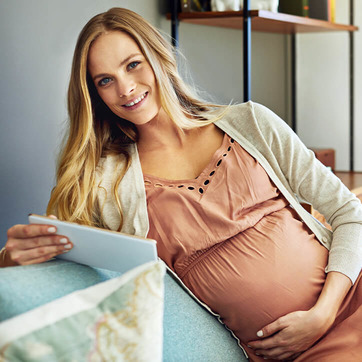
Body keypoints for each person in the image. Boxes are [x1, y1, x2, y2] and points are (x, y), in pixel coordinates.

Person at [1, 7, 362, 361]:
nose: (126, 88)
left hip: (348, 301)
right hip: (289, 352)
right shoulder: (102, 182)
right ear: (95, 94)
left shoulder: (251, 123)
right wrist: (10, 260)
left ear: (158, 58)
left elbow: (350, 213)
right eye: (105, 80)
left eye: (133, 64)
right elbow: (56, 248)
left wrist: (324, 312)